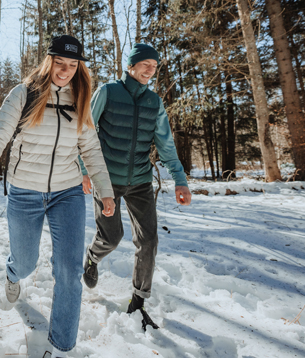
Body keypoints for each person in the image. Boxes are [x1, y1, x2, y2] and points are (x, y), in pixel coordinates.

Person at [0, 35, 115, 358]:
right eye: (60, 63)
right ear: (49, 61)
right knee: (26, 261)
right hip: (25, 192)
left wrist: (106, 192)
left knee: (69, 271)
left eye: (72, 65)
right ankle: (12, 273)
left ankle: (61, 348)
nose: (65, 71)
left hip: (68, 193)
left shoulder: (80, 99)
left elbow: (91, 149)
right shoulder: (25, 94)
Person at [80, 43, 192, 331]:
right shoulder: (108, 92)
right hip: (107, 179)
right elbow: (86, 130)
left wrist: (179, 179)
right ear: (131, 66)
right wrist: (84, 170)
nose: (151, 69)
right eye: (146, 63)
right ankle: (92, 257)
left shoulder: (154, 102)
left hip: (141, 181)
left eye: (155, 65)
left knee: (149, 241)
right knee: (113, 236)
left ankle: (139, 299)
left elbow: (165, 144)